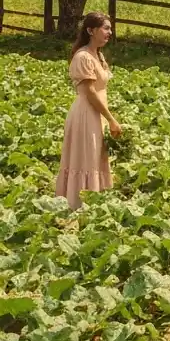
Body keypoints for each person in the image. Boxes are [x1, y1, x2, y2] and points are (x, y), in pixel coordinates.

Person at [56, 12, 122, 210]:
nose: (109, 32)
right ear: (90, 30)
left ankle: (93, 203)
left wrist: (107, 117)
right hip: (86, 114)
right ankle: (77, 204)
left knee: (94, 158)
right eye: (105, 28)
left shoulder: (98, 55)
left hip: (96, 114)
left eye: (110, 28)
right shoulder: (83, 56)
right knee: (86, 158)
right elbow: (90, 93)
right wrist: (111, 119)